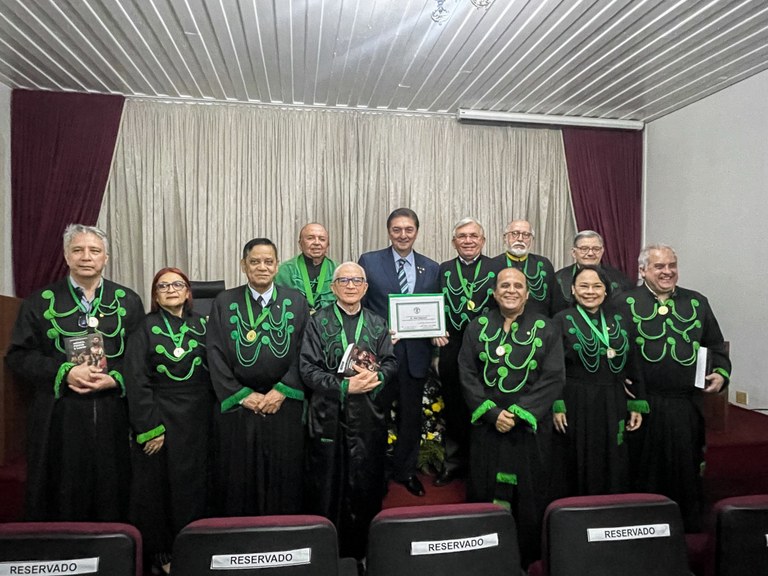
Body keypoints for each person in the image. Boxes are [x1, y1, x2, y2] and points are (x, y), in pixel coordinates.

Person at [6, 224, 143, 521]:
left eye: (94, 250)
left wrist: (114, 378)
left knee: (113, 490)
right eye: (78, 250)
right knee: (63, 490)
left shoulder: (128, 301)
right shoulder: (40, 301)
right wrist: (64, 372)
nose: (86, 257)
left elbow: (139, 359)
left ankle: (115, 546)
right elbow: (19, 356)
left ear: (106, 257)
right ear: (67, 256)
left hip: (112, 413)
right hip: (59, 414)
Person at [619, 244, 731, 531]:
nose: (667, 272)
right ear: (643, 270)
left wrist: (720, 373)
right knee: (643, 468)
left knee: (685, 467)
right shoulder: (622, 302)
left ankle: (685, 525)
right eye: (659, 266)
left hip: (685, 404)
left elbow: (715, 345)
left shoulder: (697, 302)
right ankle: (642, 525)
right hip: (643, 405)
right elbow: (610, 347)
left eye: (672, 265)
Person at [459, 267, 564, 567]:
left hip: (529, 428)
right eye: (505, 285)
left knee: (530, 495)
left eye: (518, 286)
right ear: (494, 293)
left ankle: (526, 558)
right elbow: (466, 373)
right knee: (485, 488)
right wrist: (492, 413)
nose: (511, 290)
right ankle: (485, 558)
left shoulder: (546, 327)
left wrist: (518, 414)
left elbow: (554, 377)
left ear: (527, 294)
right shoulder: (477, 326)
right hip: (488, 427)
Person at [300, 262, 397, 559]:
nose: (351, 285)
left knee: (366, 482)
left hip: (368, 415)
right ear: (333, 287)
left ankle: (365, 551)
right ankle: (327, 550)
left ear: (366, 288)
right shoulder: (317, 322)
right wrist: (344, 386)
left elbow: (391, 362)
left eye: (357, 280)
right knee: (328, 484)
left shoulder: (378, 322)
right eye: (344, 280)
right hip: (328, 414)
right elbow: (307, 368)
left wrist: (376, 378)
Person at [206, 238, 309, 515]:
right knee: (240, 476)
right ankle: (242, 531)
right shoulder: (224, 301)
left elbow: (305, 351)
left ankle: (284, 530)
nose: (262, 267)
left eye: (268, 262)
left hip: (284, 403)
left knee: (285, 473)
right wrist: (242, 395)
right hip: (241, 406)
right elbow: (214, 353)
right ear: (244, 265)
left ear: (277, 266)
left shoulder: (296, 301)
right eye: (255, 262)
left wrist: (283, 390)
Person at [125, 267, 214, 575]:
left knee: (198, 485)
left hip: (201, 418)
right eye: (163, 286)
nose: (171, 290)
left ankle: (196, 546)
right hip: (162, 417)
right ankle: (163, 553)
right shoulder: (143, 327)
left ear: (188, 292)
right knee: (161, 487)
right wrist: (149, 427)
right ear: (155, 294)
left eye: (178, 284)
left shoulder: (204, 324)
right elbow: (136, 380)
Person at [358, 208, 440, 497]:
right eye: (397, 229)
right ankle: (375, 474)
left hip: (416, 357)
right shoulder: (369, 261)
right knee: (376, 417)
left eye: (408, 229)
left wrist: (437, 330)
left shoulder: (431, 267)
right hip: (379, 356)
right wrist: (377, 335)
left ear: (416, 231)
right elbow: (360, 306)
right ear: (388, 231)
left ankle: (405, 472)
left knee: (410, 418)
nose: (403, 235)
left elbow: (434, 308)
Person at [551, 265, 646, 497]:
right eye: (583, 286)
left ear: (606, 290)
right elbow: (552, 367)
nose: (590, 291)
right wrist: (557, 404)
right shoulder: (561, 320)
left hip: (613, 399)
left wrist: (637, 402)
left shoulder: (621, 319)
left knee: (613, 453)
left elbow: (634, 362)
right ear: (573, 290)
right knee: (578, 455)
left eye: (596, 286)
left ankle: (610, 505)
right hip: (576, 400)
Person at [433, 217, 497, 487]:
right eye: (462, 236)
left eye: (473, 236)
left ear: (483, 240)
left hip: (488, 348)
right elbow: (434, 304)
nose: (468, 241)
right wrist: (434, 332)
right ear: (454, 242)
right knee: (454, 405)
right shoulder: (444, 269)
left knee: (484, 403)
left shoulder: (497, 267)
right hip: (452, 346)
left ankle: (481, 464)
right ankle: (454, 462)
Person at [553, 230, 634, 314]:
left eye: (596, 249)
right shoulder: (558, 279)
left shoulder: (619, 279)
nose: (590, 253)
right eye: (584, 249)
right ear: (574, 252)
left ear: (602, 251)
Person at [491, 219, 557, 317]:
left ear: (531, 240)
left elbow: (555, 301)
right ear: (505, 238)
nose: (520, 239)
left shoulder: (544, 264)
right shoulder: (492, 265)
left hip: (539, 323)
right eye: (515, 233)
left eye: (526, 235)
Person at [275, 223, 338, 314]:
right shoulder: (285, 271)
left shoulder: (338, 270)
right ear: (300, 244)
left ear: (328, 245)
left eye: (322, 239)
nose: (317, 243)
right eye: (310, 238)